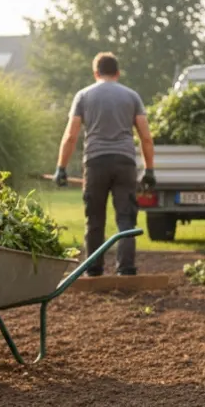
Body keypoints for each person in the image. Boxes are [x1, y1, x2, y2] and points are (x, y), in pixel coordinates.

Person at [53, 52, 156, 276]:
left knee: (95, 218)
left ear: (95, 72)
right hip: (125, 163)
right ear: (117, 73)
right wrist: (149, 170)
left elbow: (70, 136)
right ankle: (126, 269)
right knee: (126, 218)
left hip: (95, 163)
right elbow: (146, 137)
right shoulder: (132, 97)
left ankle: (94, 269)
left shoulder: (83, 96)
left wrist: (61, 167)